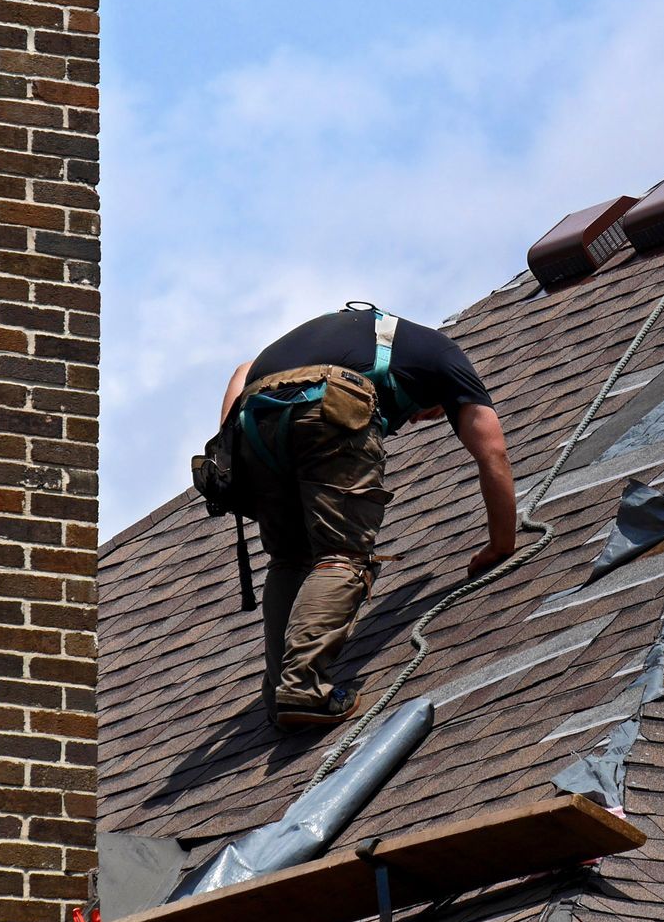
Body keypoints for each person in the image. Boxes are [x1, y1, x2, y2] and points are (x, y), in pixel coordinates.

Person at [218, 302, 516, 730]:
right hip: (323, 403)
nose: (412, 421)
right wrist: (501, 544)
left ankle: (278, 694)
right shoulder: (447, 357)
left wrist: (228, 447)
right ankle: (301, 687)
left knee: (290, 561)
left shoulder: (352, 335)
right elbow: (494, 453)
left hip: (254, 419)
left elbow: (244, 371)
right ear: (440, 396)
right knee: (343, 555)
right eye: (426, 413)